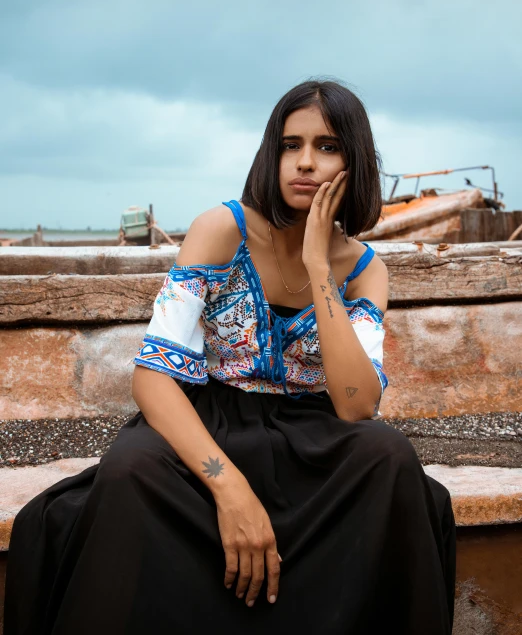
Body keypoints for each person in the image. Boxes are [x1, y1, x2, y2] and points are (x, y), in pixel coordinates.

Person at [4, 79, 456, 634]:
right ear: (271, 152)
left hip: (313, 435)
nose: (306, 163)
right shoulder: (221, 229)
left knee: (389, 459)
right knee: (129, 468)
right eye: (291, 145)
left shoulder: (365, 270)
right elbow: (152, 378)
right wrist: (228, 486)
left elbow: (357, 406)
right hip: (210, 420)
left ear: (354, 159)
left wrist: (320, 268)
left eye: (327, 146)